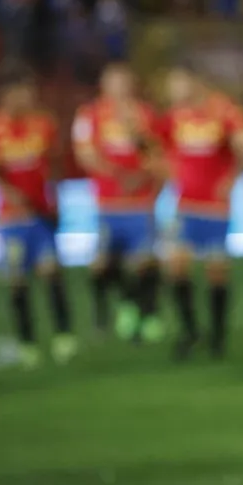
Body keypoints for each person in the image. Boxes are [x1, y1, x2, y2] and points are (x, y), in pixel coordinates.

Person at [0, 65, 76, 368]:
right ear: (6, 95)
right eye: (20, 91)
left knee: (50, 272)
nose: (26, 97)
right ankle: (27, 341)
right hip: (12, 218)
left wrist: (55, 198)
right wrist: (9, 191)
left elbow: (54, 163)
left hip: (41, 215)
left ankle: (63, 335)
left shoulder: (44, 124)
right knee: (18, 281)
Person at [161, 63, 243, 360]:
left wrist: (232, 177)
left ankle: (217, 337)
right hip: (185, 205)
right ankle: (190, 332)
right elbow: (159, 146)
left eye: (176, 84)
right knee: (176, 266)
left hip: (215, 208)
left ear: (194, 81)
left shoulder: (225, 111)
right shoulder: (174, 115)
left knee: (216, 272)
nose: (173, 91)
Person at [72, 62, 164, 343]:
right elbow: (85, 155)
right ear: (104, 84)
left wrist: (139, 140)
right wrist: (118, 175)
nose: (120, 87)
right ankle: (126, 303)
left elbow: (159, 154)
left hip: (140, 204)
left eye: (124, 81)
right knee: (102, 266)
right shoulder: (89, 115)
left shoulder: (145, 114)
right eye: (114, 81)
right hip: (108, 204)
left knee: (145, 262)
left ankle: (148, 315)